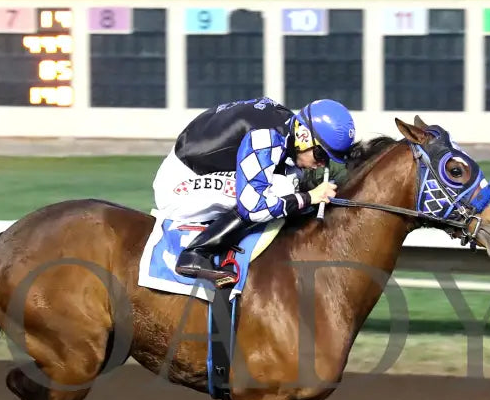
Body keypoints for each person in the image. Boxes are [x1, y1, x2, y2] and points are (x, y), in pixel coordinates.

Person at [152, 96, 357, 284]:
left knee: (292, 179)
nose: (321, 164)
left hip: (200, 166)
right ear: (304, 136)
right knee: (279, 190)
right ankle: (196, 253)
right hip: (178, 186)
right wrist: (308, 197)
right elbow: (254, 208)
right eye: (321, 155)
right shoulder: (265, 137)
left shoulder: (288, 126)